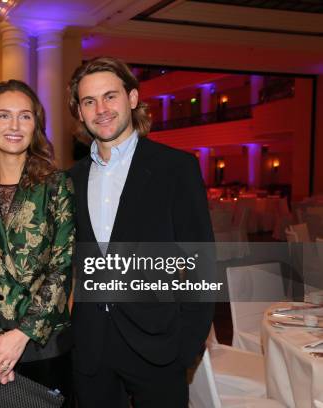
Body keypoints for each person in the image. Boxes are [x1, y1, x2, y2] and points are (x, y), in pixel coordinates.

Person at [68, 57, 214, 407]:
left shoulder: (176, 168)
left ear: (132, 98)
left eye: (110, 97)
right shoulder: (70, 179)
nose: (100, 109)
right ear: (80, 111)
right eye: (89, 101)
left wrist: (186, 346)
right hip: (91, 348)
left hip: (159, 347)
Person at [0, 79, 74, 404]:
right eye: (4, 115)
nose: (15, 125)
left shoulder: (58, 187)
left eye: (25, 116)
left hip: (42, 343)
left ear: (36, 126)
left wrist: (21, 335)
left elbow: (62, 268)